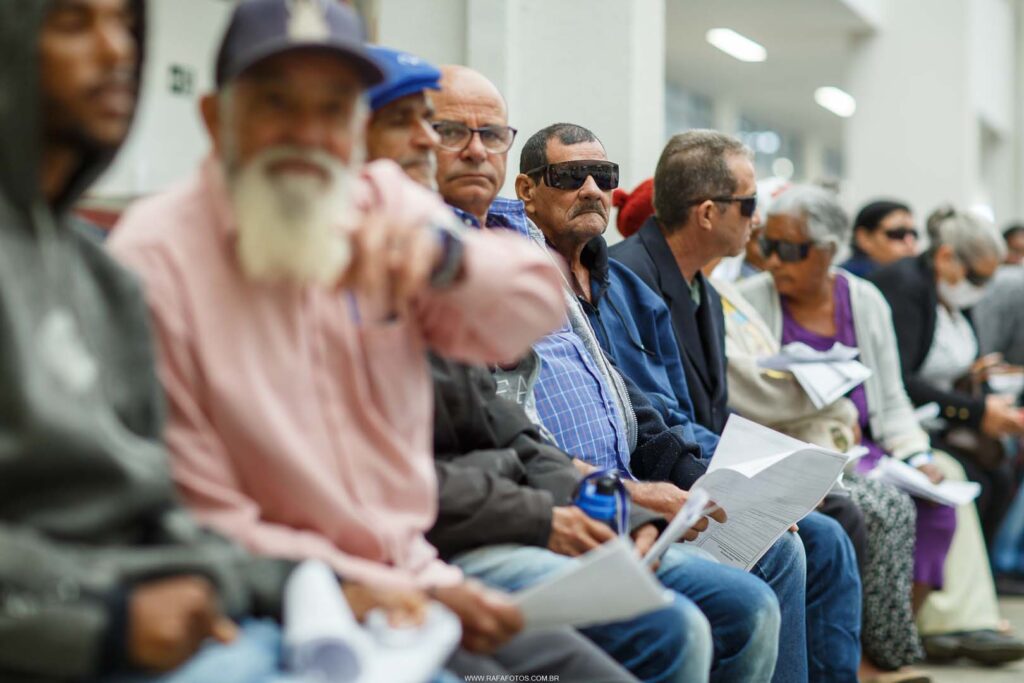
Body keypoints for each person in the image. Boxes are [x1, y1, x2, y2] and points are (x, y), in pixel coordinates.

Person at [109, 2, 634, 681]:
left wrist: (447, 260)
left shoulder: (373, 203)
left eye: (334, 109)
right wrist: (398, 584)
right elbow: (201, 505)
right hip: (287, 596)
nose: (308, 134)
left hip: (413, 573)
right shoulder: (156, 258)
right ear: (216, 118)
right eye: (277, 104)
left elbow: (533, 305)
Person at [0, 1, 426, 681]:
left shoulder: (98, 276)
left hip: (181, 610)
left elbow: (155, 513)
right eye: (75, 23)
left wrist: (302, 583)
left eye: (127, 26)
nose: (116, 52)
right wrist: (104, 620)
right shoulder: (152, 253)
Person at [363, 45, 715, 683]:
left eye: (603, 175)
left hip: (542, 499)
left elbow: (520, 420)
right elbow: (379, 476)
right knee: (672, 628)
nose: (465, 150)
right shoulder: (387, 261)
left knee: (765, 574)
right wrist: (571, 505)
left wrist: (623, 499)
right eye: (444, 130)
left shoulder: (499, 250)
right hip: (438, 538)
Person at [610, 130, 864, 682]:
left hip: (695, 462)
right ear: (707, 213)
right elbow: (653, 420)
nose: (758, 220)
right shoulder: (628, 278)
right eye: (749, 204)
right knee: (816, 536)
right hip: (661, 477)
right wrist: (746, 483)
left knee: (831, 526)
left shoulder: (701, 286)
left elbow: (710, 412)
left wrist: (773, 471)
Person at [868, 207, 1023, 545]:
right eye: (977, 279)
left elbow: (963, 362)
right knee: (974, 482)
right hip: (906, 420)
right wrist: (978, 412)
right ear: (946, 257)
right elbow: (901, 380)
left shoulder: (953, 295)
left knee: (1001, 474)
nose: (981, 289)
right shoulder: (905, 287)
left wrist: (985, 394)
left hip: (944, 417)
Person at [841, 200, 920, 278]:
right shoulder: (845, 280)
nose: (910, 243)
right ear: (864, 238)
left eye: (914, 234)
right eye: (898, 234)